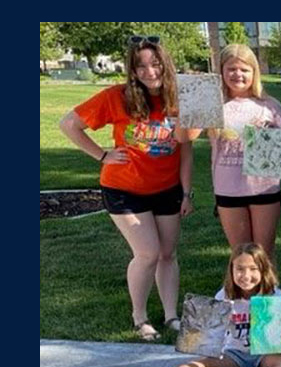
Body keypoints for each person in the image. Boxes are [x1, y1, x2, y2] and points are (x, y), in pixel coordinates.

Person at [59, 36, 193, 341]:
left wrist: (186, 192)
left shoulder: (179, 99)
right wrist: (103, 155)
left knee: (168, 254)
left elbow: (185, 150)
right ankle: (140, 316)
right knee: (148, 253)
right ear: (132, 70)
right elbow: (68, 124)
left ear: (165, 65)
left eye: (155, 63)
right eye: (140, 65)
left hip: (167, 188)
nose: (149, 71)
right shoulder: (116, 97)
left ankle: (171, 315)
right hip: (124, 189)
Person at [183, 44, 281, 260]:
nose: (238, 74)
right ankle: (241, 295)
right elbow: (186, 137)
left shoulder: (269, 105)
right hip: (228, 189)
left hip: (264, 188)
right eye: (231, 69)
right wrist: (194, 101)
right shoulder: (213, 103)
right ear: (222, 71)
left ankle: (268, 293)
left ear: (254, 72)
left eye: (244, 69)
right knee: (241, 256)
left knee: (264, 255)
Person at [173, 243, 281, 367]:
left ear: (263, 270)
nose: (246, 275)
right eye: (239, 269)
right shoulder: (223, 295)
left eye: (253, 269)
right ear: (231, 270)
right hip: (233, 355)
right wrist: (199, 336)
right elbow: (209, 338)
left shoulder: (274, 294)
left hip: (264, 355)